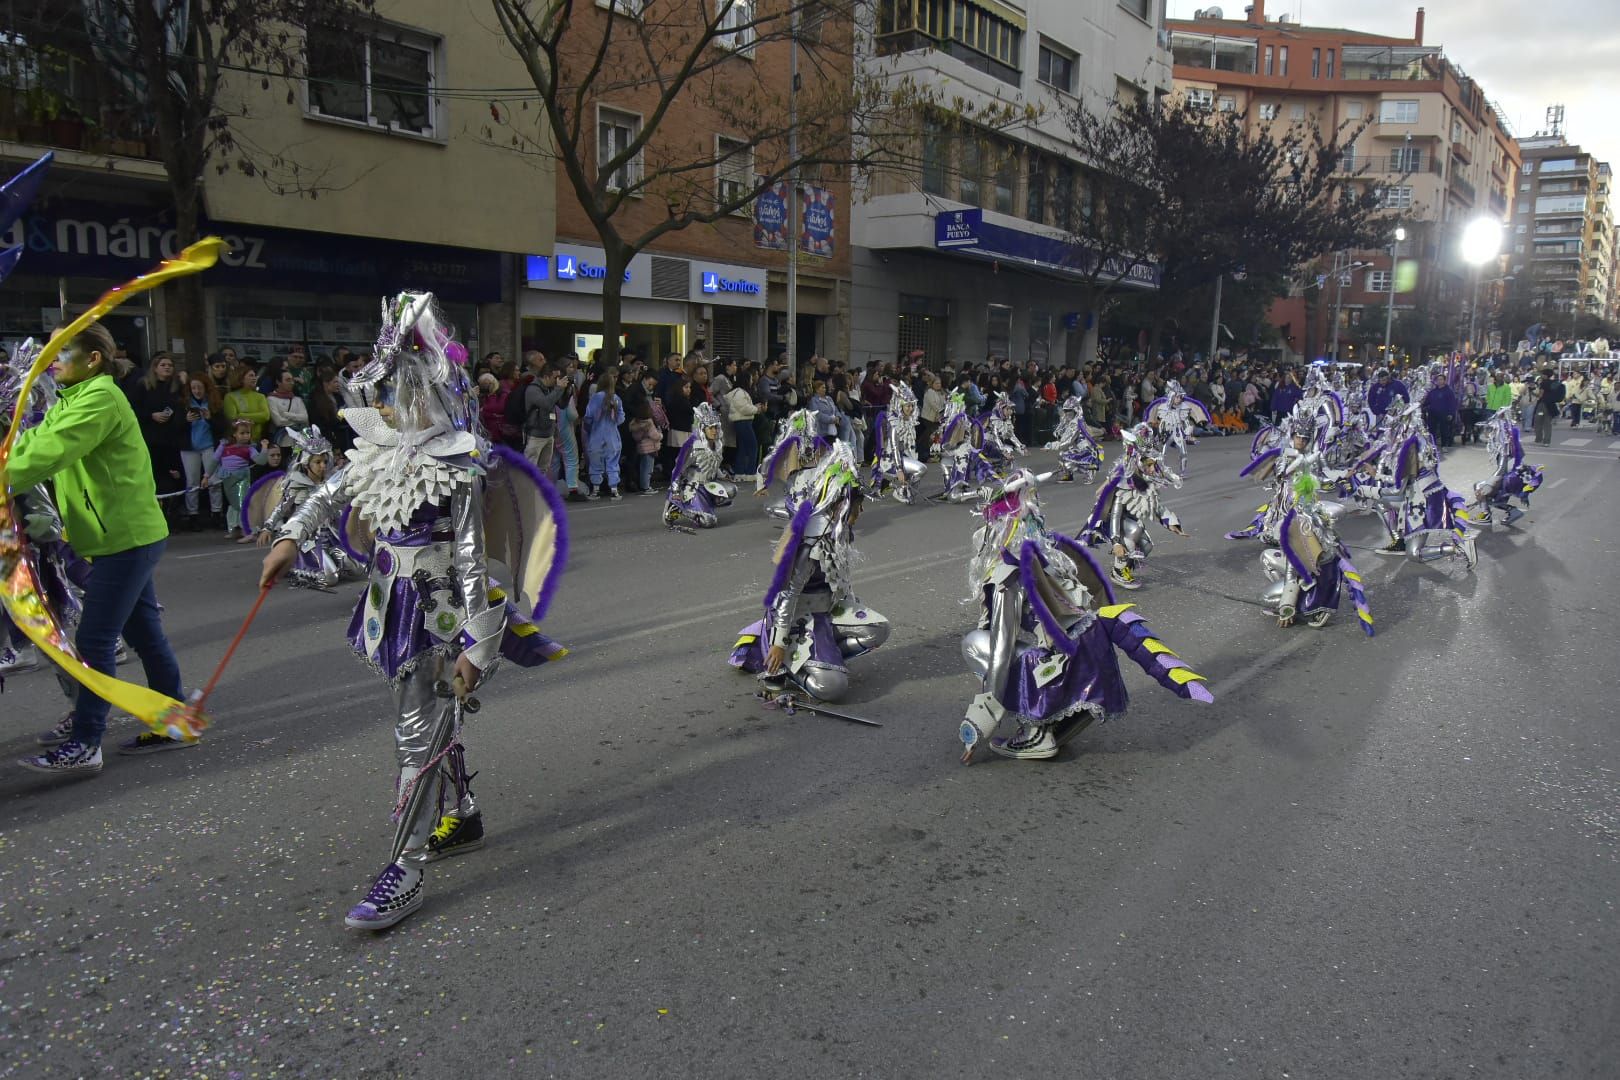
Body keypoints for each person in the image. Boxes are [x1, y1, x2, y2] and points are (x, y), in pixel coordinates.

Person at [258, 291, 568, 931]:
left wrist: (477, 649)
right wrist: (291, 538)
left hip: (439, 612)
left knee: (414, 731)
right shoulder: (376, 446)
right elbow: (327, 491)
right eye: (394, 391)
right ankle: (465, 811)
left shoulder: (460, 460)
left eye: (412, 390)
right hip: (388, 604)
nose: (401, 403)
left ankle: (406, 865)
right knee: (427, 721)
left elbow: (473, 559)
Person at [10, 323, 195, 774]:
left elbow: (49, 451)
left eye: (61, 350)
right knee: (145, 635)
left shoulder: (98, 399)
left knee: (94, 639)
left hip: (125, 539)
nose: (50, 358)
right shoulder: (72, 398)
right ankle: (176, 722)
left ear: (93, 358)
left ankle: (86, 741)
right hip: (120, 535)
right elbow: (34, 441)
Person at [957, 470, 1212, 763]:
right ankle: (1064, 711)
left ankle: (1036, 729)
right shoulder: (1050, 551)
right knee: (1032, 646)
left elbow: (1000, 651)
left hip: (1069, 658)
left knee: (975, 643)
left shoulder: (1007, 574)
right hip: (1093, 647)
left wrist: (980, 722)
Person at [730, 442, 888, 702]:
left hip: (827, 609)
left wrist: (851, 603)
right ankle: (790, 668)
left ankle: (826, 656)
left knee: (879, 628)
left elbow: (840, 578)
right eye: (856, 506)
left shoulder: (839, 531)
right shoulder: (810, 541)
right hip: (798, 619)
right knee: (833, 688)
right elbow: (786, 595)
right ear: (841, 506)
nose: (860, 512)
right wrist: (779, 644)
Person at [1081, 424, 1186, 591]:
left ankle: (1124, 566)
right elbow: (1115, 513)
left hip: (1129, 517)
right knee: (1134, 532)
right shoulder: (1125, 480)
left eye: (1153, 465)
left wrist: (1171, 523)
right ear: (1138, 461)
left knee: (1146, 546)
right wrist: (1116, 542)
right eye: (1148, 464)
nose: (1152, 469)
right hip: (1112, 518)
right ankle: (1118, 571)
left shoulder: (1144, 478)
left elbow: (1153, 505)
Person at [126, 353, 188, 505]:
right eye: (163, 365)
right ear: (154, 368)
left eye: (170, 365)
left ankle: (173, 511)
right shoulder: (142, 385)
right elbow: (132, 409)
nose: (167, 368)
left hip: (170, 438)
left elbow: (181, 407)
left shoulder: (175, 387)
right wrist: (151, 415)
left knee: (174, 476)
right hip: (150, 438)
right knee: (153, 474)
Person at [663, 402, 735, 531]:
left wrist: (722, 475)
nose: (714, 431)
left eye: (716, 427)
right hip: (692, 486)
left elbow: (712, 463)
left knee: (731, 490)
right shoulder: (692, 445)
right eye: (710, 428)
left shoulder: (717, 443)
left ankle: (704, 505)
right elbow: (678, 469)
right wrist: (675, 492)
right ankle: (678, 507)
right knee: (709, 522)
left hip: (708, 483)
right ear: (702, 428)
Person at [180, 373, 225, 530]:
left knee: (213, 480)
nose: (197, 391)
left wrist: (210, 418)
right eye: (193, 388)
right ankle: (193, 515)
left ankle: (216, 513)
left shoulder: (213, 404)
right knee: (191, 481)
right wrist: (185, 420)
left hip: (209, 446)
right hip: (189, 448)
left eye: (200, 387)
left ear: (206, 388)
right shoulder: (184, 404)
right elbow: (174, 427)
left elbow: (222, 427)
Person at [214, 420, 269, 542]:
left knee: (242, 503)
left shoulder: (249, 449)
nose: (246, 436)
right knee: (233, 505)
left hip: (241, 480)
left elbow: (261, 461)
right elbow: (214, 460)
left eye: (248, 433)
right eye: (242, 433)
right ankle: (236, 529)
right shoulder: (224, 447)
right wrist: (206, 476)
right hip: (228, 480)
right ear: (234, 434)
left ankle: (249, 531)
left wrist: (264, 448)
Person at [583, 367, 624, 499]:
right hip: (612, 436)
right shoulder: (616, 398)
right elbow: (621, 419)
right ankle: (614, 489)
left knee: (595, 463)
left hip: (596, 435)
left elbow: (588, 416)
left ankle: (595, 490)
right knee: (613, 462)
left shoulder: (596, 397)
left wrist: (588, 427)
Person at [520, 360, 564, 475]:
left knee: (543, 469)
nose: (557, 380)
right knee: (530, 469)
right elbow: (546, 404)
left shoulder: (550, 388)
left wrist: (567, 390)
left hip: (549, 434)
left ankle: (539, 492)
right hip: (535, 435)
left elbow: (562, 405)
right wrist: (558, 389)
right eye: (555, 377)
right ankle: (528, 492)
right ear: (546, 377)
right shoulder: (533, 389)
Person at [224, 362, 271, 443]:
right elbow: (232, 418)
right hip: (237, 442)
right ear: (241, 378)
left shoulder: (260, 396)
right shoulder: (230, 397)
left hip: (257, 441)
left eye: (255, 375)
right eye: (251, 375)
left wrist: (241, 415)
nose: (254, 378)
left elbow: (265, 416)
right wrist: (255, 416)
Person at [726, 369, 760, 478]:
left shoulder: (740, 392)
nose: (751, 381)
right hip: (743, 421)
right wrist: (756, 409)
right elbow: (743, 408)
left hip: (743, 422)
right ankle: (750, 472)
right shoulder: (740, 393)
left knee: (743, 447)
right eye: (750, 379)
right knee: (753, 446)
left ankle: (740, 472)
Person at [267, 368, 309, 447]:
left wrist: (287, 415)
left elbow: (305, 418)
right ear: (278, 382)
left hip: (299, 442)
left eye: (292, 380)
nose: (292, 383)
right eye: (288, 380)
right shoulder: (271, 399)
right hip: (281, 441)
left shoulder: (297, 399)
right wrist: (298, 423)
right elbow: (278, 422)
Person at [1532, 368, 1563, 446]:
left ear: (1545, 375)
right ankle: (1547, 441)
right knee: (1548, 424)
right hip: (1551, 405)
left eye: (1542, 374)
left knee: (1537, 422)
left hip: (1542, 405)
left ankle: (1539, 438)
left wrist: (1532, 392)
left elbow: (1540, 395)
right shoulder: (1554, 383)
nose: (1541, 375)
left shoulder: (1544, 383)